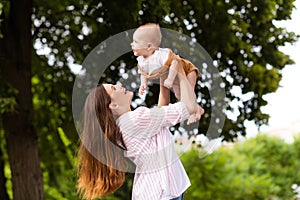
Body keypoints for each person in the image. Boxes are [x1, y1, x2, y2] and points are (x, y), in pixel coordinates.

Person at [77, 65, 202, 200]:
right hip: (162, 193)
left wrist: (163, 79)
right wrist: (186, 71)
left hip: (159, 192)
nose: (119, 85)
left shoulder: (124, 126)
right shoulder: (134, 120)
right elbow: (187, 107)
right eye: (114, 88)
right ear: (113, 105)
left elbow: (161, 115)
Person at [130, 23, 204, 125]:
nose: (132, 44)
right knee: (179, 95)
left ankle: (194, 113)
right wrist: (144, 84)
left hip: (188, 70)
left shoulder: (160, 55)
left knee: (188, 93)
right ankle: (198, 108)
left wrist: (169, 78)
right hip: (175, 77)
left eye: (135, 42)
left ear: (148, 46)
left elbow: (174, 62)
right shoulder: (141, 60)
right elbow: (142, 72)